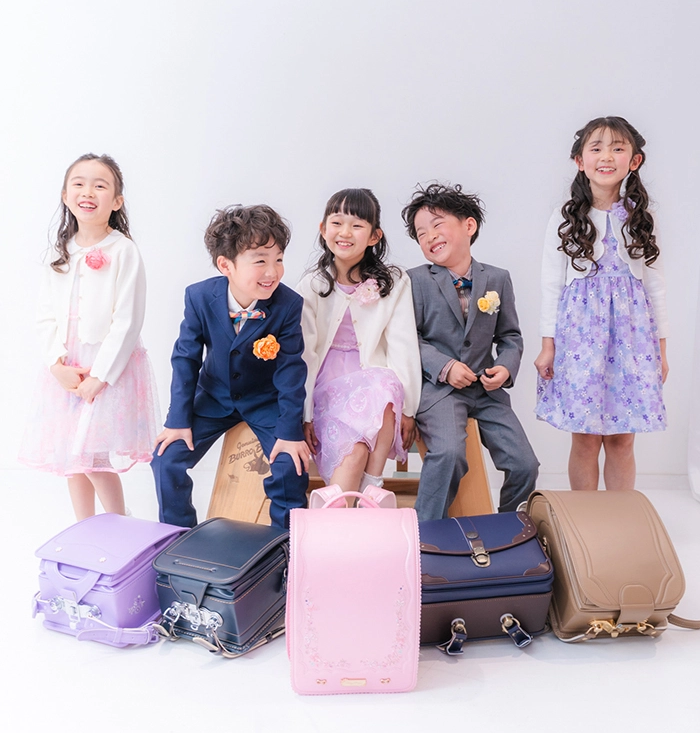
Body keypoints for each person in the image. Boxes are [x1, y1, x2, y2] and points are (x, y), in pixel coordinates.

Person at [151, 204, 309, 529]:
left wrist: (290, 433)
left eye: (279, 259)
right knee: (166, 460)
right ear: (226, 265)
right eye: (260, 261)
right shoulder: (199, 297)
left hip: (266, 401)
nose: (273, 272)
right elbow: (186, 359)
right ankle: (177, 539)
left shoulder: (288, 304)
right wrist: (178, 420)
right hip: (213, 397)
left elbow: (291, 370)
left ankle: (284, 546)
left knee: (289, 467)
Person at [20, 153, 159, 519]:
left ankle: (118, 521)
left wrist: (100, 376)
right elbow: (45, 314)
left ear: (116, 201)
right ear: (65, 195)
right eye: (79, 184)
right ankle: (83, 525)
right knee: (73, 456)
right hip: (69, 367)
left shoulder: (123, 250)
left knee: (94, 456)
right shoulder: (61, 251)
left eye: (100, 185)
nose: (88, 192)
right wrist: (56, 364)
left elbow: (128, 320)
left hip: (106, 367)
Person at [534, 116, 668, 490]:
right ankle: (585, 516)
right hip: (580, 339)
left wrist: (661, 350)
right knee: (586, 438)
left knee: (623, 438)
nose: (606, 156)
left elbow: (656, 286)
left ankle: (619, 515)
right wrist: (548, 346)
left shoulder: (642, 218)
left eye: (617, 148)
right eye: (596, 148)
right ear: (580, 160)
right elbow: (551, 286)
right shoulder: (564, 219)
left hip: (632, 339)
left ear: (634, 161)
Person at [402, 182, 538, 519]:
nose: (430, 236)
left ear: (469, 225)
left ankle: (508, 529)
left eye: (437, 225)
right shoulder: (414, 281)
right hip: (440, 392)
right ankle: (424, 530)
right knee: (449, 454)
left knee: (524, 464)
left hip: (487, 391)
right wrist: (445, 366)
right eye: (421, 233)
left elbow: (510, 335)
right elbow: (407, 338)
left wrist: (505, 367)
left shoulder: (498, 279)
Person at [298, 188, 421, 493]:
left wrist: (409, 409)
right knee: (353, 456)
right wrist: (305, 413)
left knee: (383, 382)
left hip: (376, 388)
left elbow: (403, 345)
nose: (345, 233)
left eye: (356, 225)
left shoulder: (394, 281)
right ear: (323, 229)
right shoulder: (312, 285)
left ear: (374, 236)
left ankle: (372, 484)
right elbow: (305, 354)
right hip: (326, 386)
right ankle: (358, 502)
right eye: (337, 223)